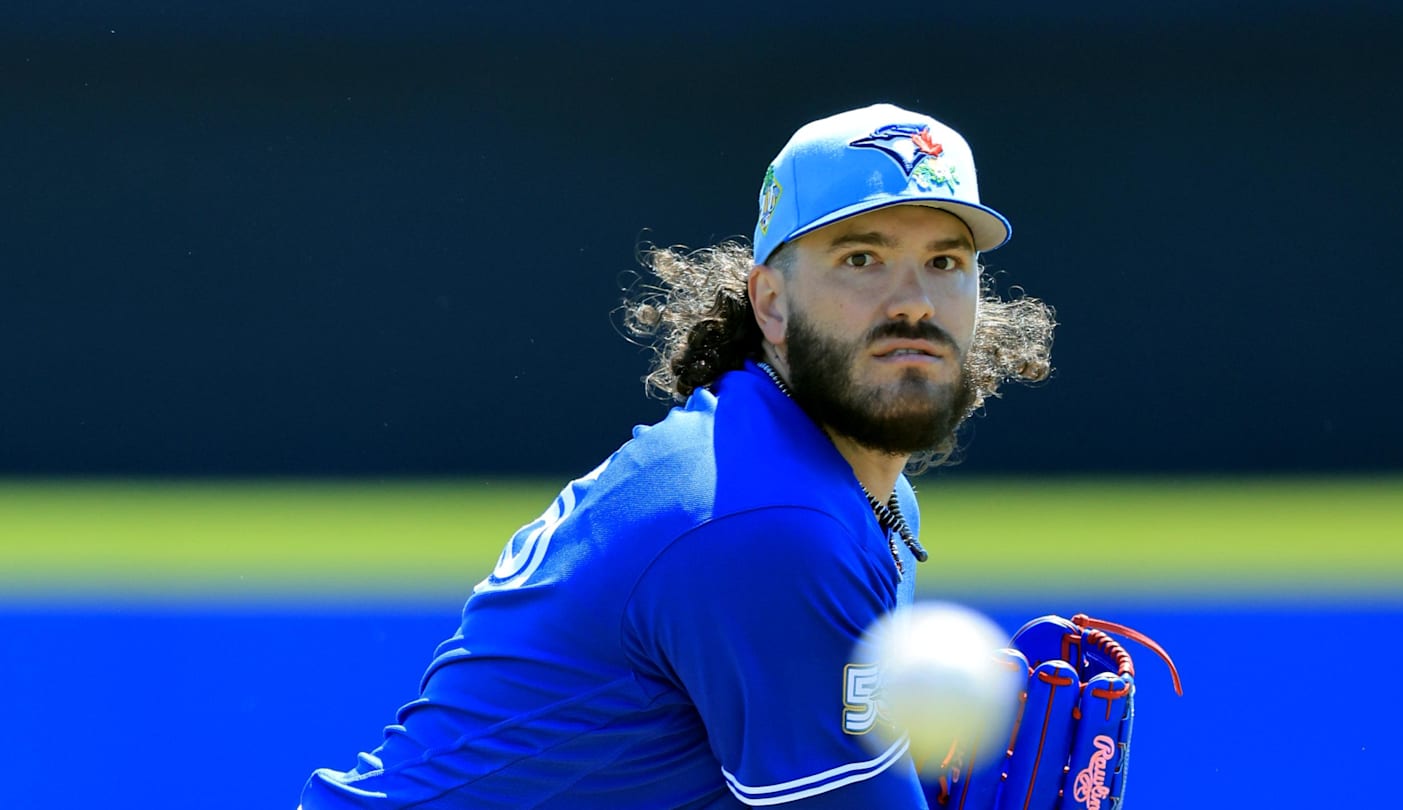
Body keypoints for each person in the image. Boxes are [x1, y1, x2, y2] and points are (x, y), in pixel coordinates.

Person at [298, 102, 1054, 808]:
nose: (914, 301)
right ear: (771, 303)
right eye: (862, 258)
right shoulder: (766, 519)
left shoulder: (819, 479)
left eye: (947, 262)